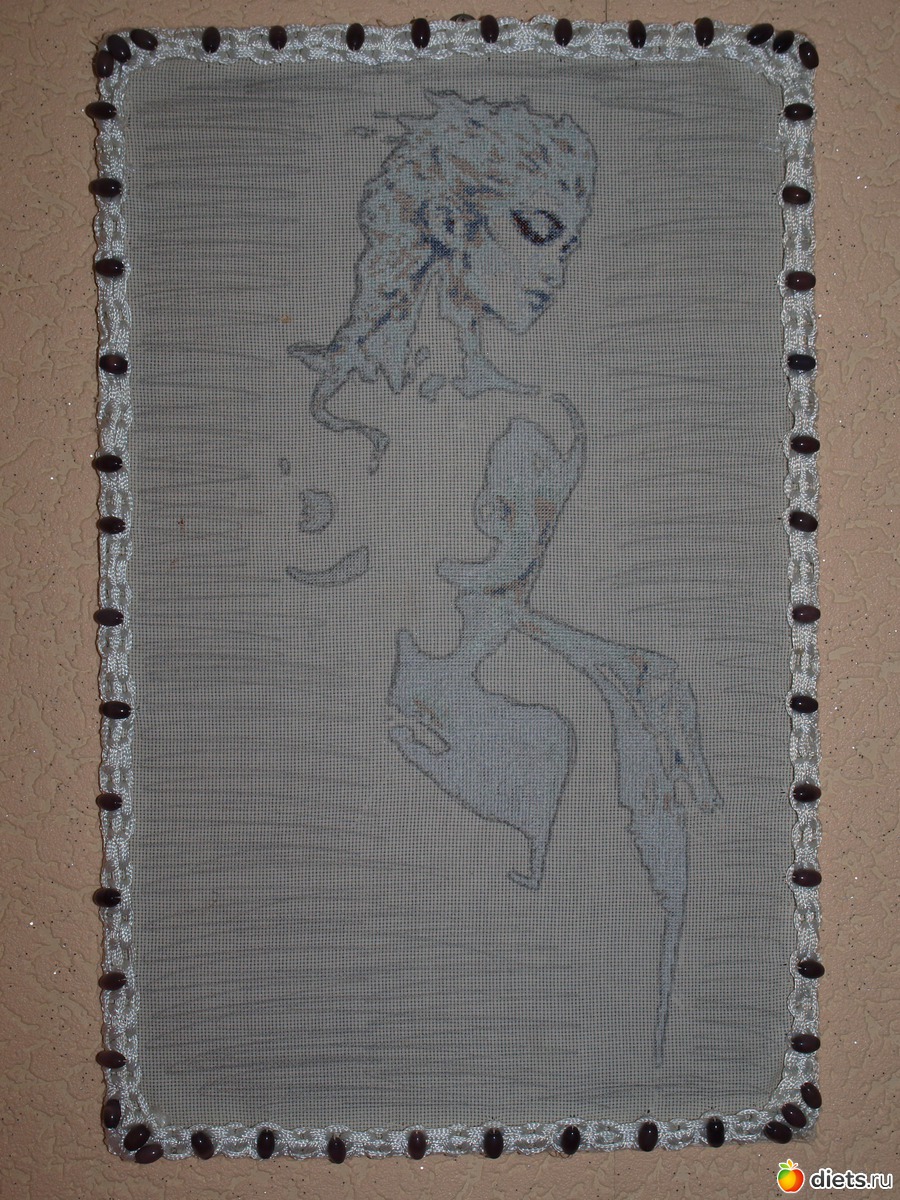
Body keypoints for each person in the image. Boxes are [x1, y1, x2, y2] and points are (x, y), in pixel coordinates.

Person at [288, 90, 721, 1060]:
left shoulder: (544, 422)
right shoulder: (336, 401)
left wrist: (619, 661)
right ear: (453, 222)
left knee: (600, 749)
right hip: (364, 719)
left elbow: (495, 607)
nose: (556, 268)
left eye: (572, 244)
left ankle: (621, 1063)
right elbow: (330, 594)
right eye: (538, 231)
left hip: (479, 709)